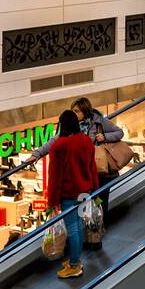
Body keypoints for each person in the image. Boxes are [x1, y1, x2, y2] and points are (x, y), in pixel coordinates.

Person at [47, 109, 98, 280]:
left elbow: (55, 177)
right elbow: (92, 167)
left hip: (69, 194)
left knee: (73, 229)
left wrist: (52, 201)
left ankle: (75, 265)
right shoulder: (85, 140)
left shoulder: (59, 146)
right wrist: (95, 189)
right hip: (85, 192)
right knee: (78, 226)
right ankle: (75, 260)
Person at [72, 96, 125, 229]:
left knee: (100, 201)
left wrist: (105, 136)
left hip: (100, 172)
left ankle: (98, 230)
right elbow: (55, 140)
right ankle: (86, 231)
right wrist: (37, 154)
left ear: (85, 111)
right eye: (73, 111)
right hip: (83, 172)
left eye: (77, 111)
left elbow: (119, 132)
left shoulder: (99, 121)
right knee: (82, 201)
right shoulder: (71, 126)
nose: (74, 114)